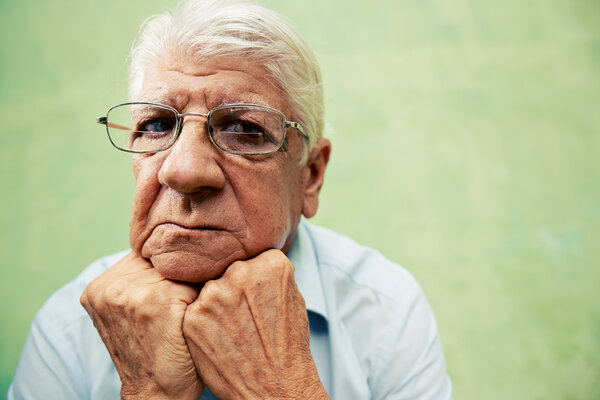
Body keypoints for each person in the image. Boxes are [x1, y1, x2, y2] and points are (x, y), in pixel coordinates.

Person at [9, 0, 452, 398]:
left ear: (310, 176)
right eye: (159, 125)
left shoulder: (385, 312)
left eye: (243, 128)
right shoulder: (69, 326)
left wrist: (278, 391)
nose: (182, 171)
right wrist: (151, 392)